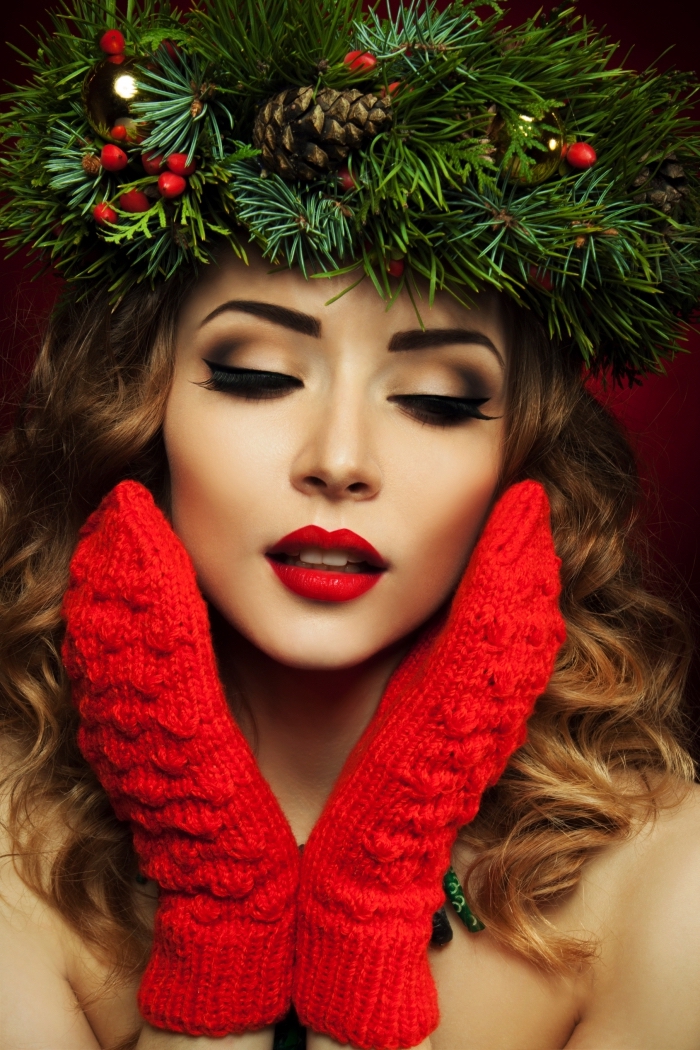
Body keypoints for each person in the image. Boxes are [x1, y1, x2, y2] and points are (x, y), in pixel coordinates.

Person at [1, 2, 700, 1049]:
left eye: (437, 400)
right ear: (139, 411)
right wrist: (220, 913)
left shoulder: (664, 881)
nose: (338, 459)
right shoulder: (12, 856)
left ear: (524, 461)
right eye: (254, 375)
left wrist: (370, 908)